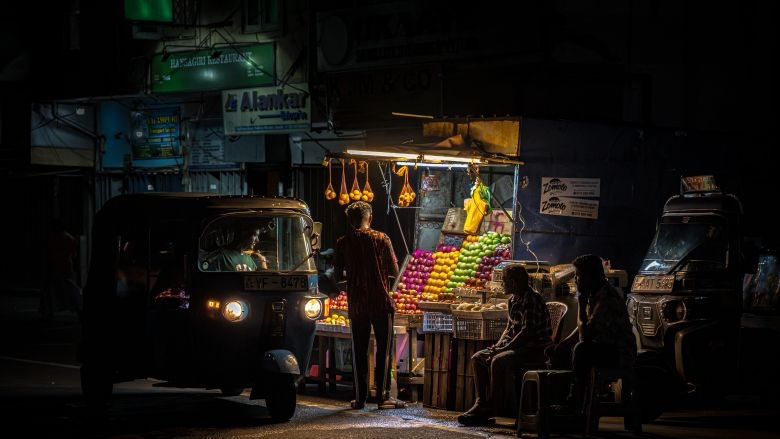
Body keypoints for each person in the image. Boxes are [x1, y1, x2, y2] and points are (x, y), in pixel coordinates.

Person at [458, 264, 553, 426]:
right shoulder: (512, 300)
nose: (503, 284)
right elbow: (509, 329)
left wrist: (503, 349)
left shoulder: (532, 299)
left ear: (514, 282)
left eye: (505, 281)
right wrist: (497, 347)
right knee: (478, 358)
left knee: (498, 360)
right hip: (517, 346)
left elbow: (527, 332)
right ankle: (481, 403)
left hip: (534, 348)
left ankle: (493, 407)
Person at [333, 201, 405, 410]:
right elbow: (394, 271)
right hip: (380, 302)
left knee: (359, 350)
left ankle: (360, 398)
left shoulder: (343, 243)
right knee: (384, 349)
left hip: (357, 303)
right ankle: (383, 397)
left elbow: (338, 277)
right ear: (370, 217)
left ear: (350, 220)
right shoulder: (382, 239)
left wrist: (353, 275)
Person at [545, 254, 637, 413]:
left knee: (581, 350)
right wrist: (562, 345)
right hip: (602, 347)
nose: (576, 280)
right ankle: (560, 400)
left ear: (590, 276)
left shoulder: (607, 299)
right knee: (558, 351)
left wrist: (581, 303)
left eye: (578, 276)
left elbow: (585, 335)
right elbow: (584, 327)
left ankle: (576, 402)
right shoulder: (594, 295)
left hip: (620, 352)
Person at [41, 219, 82, 321]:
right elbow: (74, 254)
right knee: (70, 290)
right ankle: (79, 310)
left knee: (51, 290)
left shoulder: (52, 237)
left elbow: (48, 253)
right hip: (66, 267)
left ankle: (49, 312)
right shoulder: (68, 238)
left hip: (55, 267)